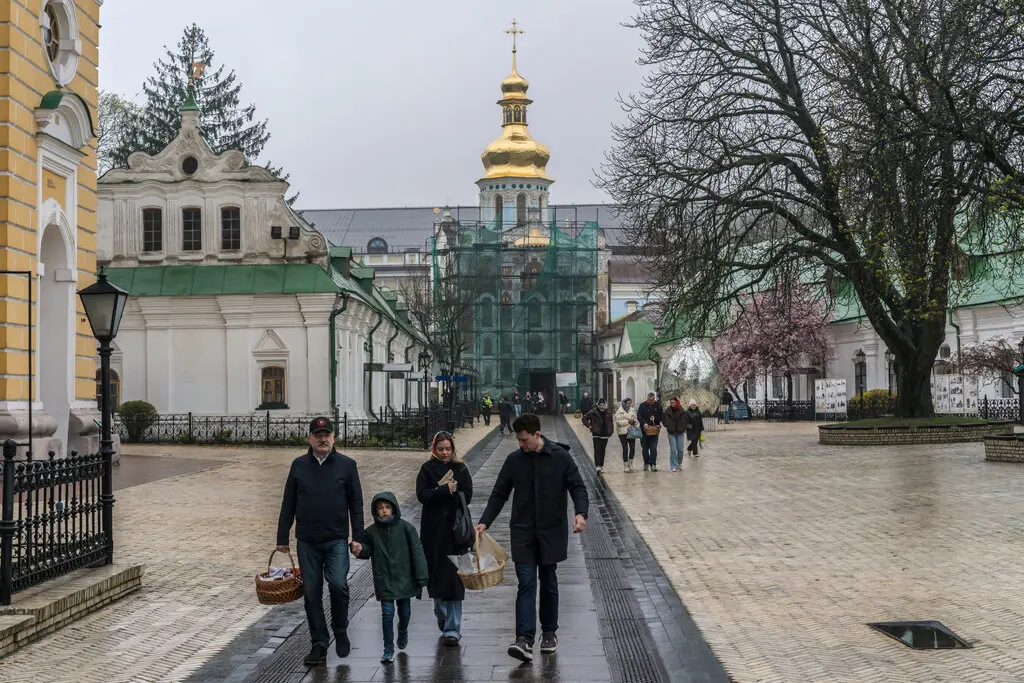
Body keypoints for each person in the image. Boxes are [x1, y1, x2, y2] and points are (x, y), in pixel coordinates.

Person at [474, 414, 589, 663]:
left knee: (548, 580)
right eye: (519, 440)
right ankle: (524, 639)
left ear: (537, 435)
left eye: (524, 440)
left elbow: (578, 487)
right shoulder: (514, 460)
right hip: (523, 531)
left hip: (551, 531)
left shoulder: (561, 457)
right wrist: (484, 521)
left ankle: (549, 633)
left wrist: (581, 513)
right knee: (526, 582)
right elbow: (498, 494)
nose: (521, 444)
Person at [277, 416, 364, 667]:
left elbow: (356, 504)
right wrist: (283, 537)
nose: (323, 439)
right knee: (312, 594)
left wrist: (358, 537)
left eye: (327, 435)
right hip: (307, 541)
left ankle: (340, 628)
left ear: (334, 438)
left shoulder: (347, 465)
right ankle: (319, 644)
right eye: (318, 435)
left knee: (339, 585)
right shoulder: (299, 465)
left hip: (336, 539)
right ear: (310, 439)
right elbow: (288, 503)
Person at [352, 492, 429, 663]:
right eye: (380, 508)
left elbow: (417, 552)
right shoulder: (371, 532)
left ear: (394, 508)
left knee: (405, 612)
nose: (384, 511)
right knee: (387, 613)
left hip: (405, 577)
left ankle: (403, 630)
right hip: (384, 579)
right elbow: (367, 550)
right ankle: (388, 648)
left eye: (387, 507)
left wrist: (421, 577)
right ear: (375, 511)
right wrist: (358, 550)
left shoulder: (406, 528)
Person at [415, 432, 473, 646]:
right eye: (441, 449)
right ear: (434, 450)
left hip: (456, 533)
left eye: (448, 449)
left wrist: (456, 492)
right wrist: (442, 490)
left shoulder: (461, 469)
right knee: (437, 579)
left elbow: (469, 493)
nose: (445, 453)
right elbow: (422, 495)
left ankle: (453, 629)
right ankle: (441, 613)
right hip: (433, 533)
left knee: (456, 582)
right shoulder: (427, 469)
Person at [581, 398, 615, 473]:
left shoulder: (609, 412)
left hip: (605, 434)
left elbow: (611, 423)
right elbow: (584, 418)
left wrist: (611, 431)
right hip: (596, 434)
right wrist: (589, 426)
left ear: (605, 405)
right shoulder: (593, 411)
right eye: (600, 405)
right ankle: (598, 466)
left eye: (603, 405)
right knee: (597, 450)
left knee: (603, 450)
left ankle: (601, 465)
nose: (602, 406)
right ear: (598, 405)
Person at [636, 393, 664, 472]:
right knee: (644, 448)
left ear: (654, 399)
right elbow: (639, 416)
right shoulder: (642, 405)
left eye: (652, 400)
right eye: (649, 400)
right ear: (647, 399)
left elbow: (661, 416)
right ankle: (646, 463)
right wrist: (644, 423)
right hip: (644, 430)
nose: (650, 401)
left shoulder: (658, 405)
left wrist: (656, 420)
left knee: (653, 448)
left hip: (654, 430)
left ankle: (653, 464)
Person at [663, 397, 690, 472]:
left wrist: (682, 427)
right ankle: (673, 465)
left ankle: (679, 463)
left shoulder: (682, 410)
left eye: (673, 402)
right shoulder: (668, 410)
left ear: (677, 402)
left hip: (680, 432)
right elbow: (664, 420)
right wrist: (668, 426)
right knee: (673, 449)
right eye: (671, 402)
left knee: (680, 449)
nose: (672, 404)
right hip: (671, 432)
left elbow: (686, 420)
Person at [614, 398, 639, 472]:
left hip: (631, 431)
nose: (629, 405)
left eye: (630, 403)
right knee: (625, 448)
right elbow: (618, 422)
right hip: (622, 432)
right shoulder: (619, 411)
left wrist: (635, 422)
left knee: (632, 447)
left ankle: (631, 463)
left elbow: (636, 420)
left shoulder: (632, 410)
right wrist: (628, 421)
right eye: (627, 403)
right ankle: (625, 465)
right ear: (624, 403)